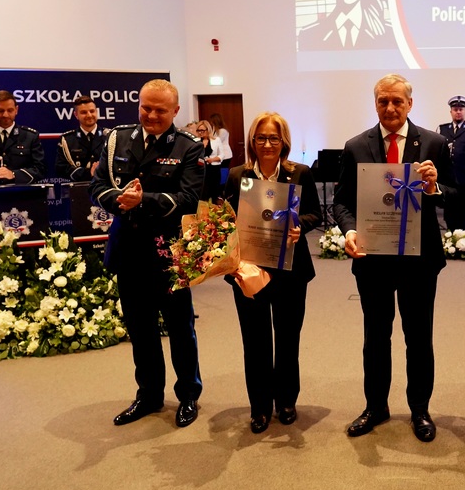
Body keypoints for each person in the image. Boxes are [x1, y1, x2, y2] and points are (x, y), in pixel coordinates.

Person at [332, 73, 455, 442]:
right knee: (375, 336)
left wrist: (434, 187)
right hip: (373, 260)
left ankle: (420, 410)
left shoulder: (434, 143)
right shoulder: (356, 146)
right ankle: (376, 406)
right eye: (383, 101)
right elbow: (341, 202)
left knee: (418, 338)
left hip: (420, 261)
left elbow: (457, 195)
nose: (390, 107)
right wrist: (349, 231)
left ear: (410, 104)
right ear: (375, 104)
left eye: (397, 101)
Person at [89, 79, 204, 428]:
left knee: (180, 329)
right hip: (129, 249)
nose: (151, 115)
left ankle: (188, 395)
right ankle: (149, 395)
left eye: (160, 110)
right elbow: (97, 186)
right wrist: (118, 200)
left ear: (176, 111)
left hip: (168, 253)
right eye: (146, 107)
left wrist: (143, 201)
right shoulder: (116, 139)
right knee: (140, 330)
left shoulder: (188, 146)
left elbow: (189, 199)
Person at [222, 112, 322, 434]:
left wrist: (298, 226)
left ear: (284, 142)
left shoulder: (300, 173)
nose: (267, 144)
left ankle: (287, 401)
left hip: (291, 271)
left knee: (288, 338)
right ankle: (260, 407)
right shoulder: (237, 175)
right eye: (261, 138)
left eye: (273, 138)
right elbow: (226, 218)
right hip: (248, 270)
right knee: (255, 341)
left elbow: (315, 214)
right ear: (253, 141)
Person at [438, 95, 465, 230]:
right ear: (451, 111)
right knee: (449, 214)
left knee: (463, 214)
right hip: (448, 180)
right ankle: (450, 239)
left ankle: (463, 239)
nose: (458, 112)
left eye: (461, 109)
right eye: (455, 109)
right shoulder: (442, 129)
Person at [56, 96, 106, 182]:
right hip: (79, 187)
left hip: (105, 185)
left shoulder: (109, 136)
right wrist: (88, 173)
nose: (89, 115)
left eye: (92, 111)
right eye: (84, 112)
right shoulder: (67, 140)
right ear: (76, 115)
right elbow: (61, 168)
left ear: (96, 112)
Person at [195, 119, 223, 200]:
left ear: (208, 130)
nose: (200, 132)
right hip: (201, 169)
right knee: (203, 193)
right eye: (198, 130)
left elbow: (222, 155)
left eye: (202, 130)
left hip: (213, 169)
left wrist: (212, 159)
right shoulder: (196, 141)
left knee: (214, 192)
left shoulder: (216, 140)